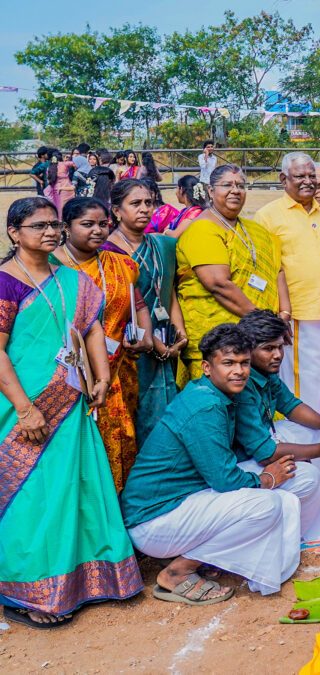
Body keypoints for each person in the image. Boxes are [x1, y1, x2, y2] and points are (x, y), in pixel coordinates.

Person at [0, 196, 142, 629]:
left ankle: (85, 582)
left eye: (54, 225)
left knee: (76, 490)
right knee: (33, 498)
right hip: (24, 409)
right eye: (38, 226)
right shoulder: (6, 283)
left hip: (72, 405)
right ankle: (26, 590)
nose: (50, 232)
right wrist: (26, 409)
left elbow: (92, 328)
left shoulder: (71, 279)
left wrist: (102, 377)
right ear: (14, 233)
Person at [120, 325, 302, 601]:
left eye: (244, 363)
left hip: (181, 502)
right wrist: (267, 479)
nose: (239, 371)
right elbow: (225, 479)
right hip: (154, 520)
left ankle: (209, 556)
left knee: (285, 497)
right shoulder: (206, 405)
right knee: (267, 504)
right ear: (207, 367)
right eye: (228, 363)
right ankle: (178, 571)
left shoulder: (215, 393)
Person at [53, 192, 154, 489]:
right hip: (69, 372)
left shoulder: (123, 264)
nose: (97, 230)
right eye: (87, 224)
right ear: (66, 228)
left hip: (120, 368)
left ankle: (116, 501)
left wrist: (145, 336)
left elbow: (139, 305)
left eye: (103, 224)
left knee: (121, 436)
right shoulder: (51, 266)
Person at [255, 152, 320, 430]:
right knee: (297, 385)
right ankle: (303, 440)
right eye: (300, 176)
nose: (308, 181)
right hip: (293, 317)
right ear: (283, 179)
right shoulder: (268, 216)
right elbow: (266, 270)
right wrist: (279, 315)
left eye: (311, 176)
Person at [233, 310, 320, 541]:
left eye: (280, 347)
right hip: (239, 464)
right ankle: (289, 533)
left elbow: (291, 406)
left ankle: (309, 505)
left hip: (261, 445)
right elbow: (265, 453)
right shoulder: (240, 383)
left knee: (315, 431)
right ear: (247, 350)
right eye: (269, 349)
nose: (278, 355)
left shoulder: (265, 372)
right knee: (309, 475)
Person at [175, 165, 288, 381]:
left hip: (259, 340)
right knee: (217, 398)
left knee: (259, 397)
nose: (235, 190)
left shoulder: (255, 230)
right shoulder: (202, 230)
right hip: (217, 340)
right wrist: (265, 323)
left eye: (241, 186)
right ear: (210, 190)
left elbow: (278, 269)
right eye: (227, 185)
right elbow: (219, 285)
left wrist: (284, 314)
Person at [103, 183, 188, 448]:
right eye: (135, 203)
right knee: (133, 413)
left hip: (168, 341)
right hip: (129, 346)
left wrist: (180, 333)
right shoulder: (105, 251)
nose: (144, 209)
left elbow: (169, 291)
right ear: (117, 211)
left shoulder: (164, 245)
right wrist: (151, 341)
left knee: (168, 412)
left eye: (149, 203)